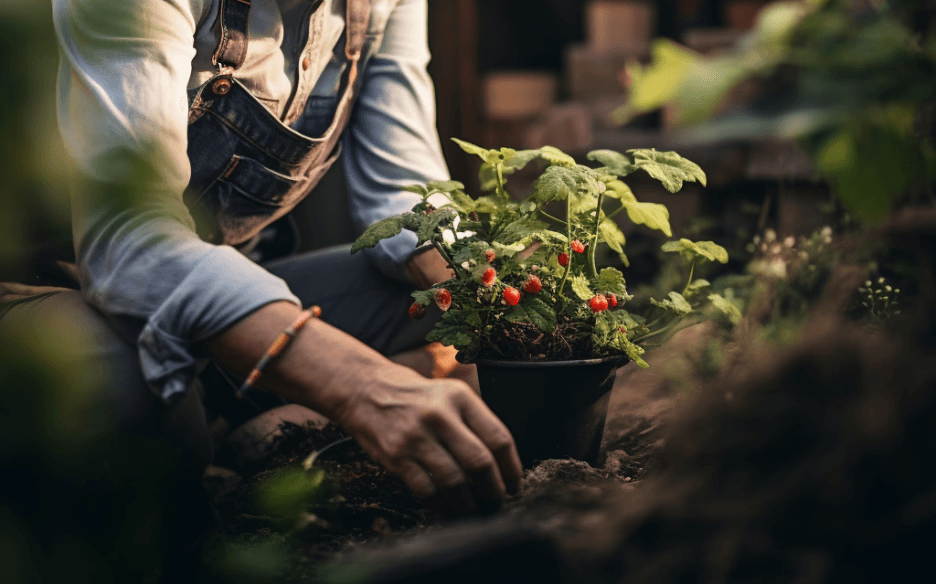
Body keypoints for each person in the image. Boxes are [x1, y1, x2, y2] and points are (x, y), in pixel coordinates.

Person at [5, 0, 522, 518]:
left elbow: (401, 188)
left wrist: (493, 296)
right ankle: (211, 418)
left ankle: (224, 407)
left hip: (223, 281)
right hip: (48, 288)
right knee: (120, 390)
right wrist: (358, 386)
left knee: (434, 304)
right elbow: (129, 238)